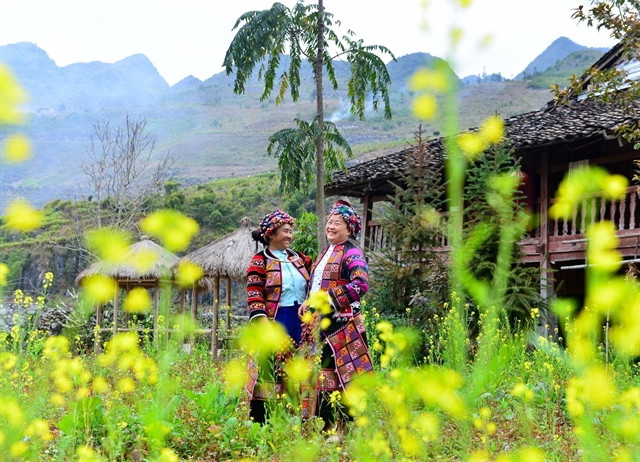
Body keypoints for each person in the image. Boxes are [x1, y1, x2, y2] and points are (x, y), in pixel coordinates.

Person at [298, 199, 373, 428]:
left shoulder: (353, 253)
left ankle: (340, 428)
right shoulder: (325, 253)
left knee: (341, 377)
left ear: (349, 229)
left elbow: (361, 284)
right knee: (320, 375)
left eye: (337, 223)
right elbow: (317, 285)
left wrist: (326, 300)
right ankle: (323, 425)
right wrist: (308, 303)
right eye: (329, 222)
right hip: (320, 325)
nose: (331, 226)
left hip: (341, 327)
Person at [245, 209, 312, 424]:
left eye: (291, 231)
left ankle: (297, 419)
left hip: (301, 321)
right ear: (271, 234)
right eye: (285, 231)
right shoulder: (260, 261)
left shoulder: (300, 258)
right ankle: (264, 422)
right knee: (271, 367)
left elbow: (316, 282)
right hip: (275, 320)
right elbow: (255, 294)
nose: (289, 236)